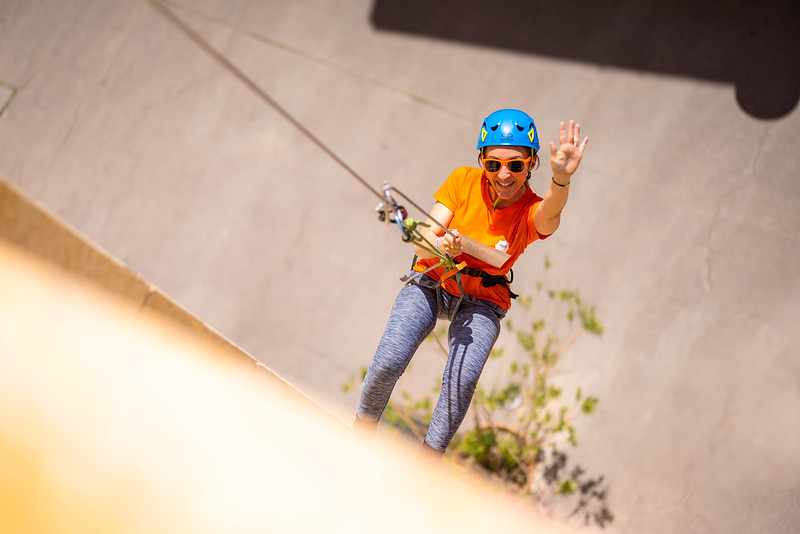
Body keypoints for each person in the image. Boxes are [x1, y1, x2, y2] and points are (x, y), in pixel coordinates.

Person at [354, 109, 588, 455]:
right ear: (482, 160)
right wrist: (442, 244)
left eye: (516, 165)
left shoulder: (530, 210)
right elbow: (425, 237)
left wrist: (561, 179)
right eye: (493, 164)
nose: (504, 175)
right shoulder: (463, 180)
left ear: (532, 164)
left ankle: (429, 460)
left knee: (461, 381)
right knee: (389, 360)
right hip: (433, 280)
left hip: (483, 299)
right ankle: (361, 431)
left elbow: (551, 213)